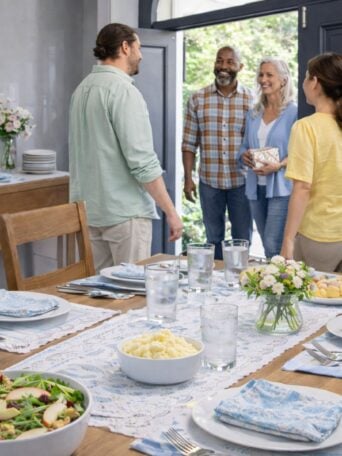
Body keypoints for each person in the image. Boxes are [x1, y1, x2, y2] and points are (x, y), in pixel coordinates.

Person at [69, 23, 183, 271]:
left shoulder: (80, 91)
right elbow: (142, 163)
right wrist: (171, 212)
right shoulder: (123, 92)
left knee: (99, 298)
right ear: (125, 47)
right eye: (138, 47)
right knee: (129, 297)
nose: (141, 54)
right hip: (124, 216)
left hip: (88, 213)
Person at [182, 46, 253, 260]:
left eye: (230, 62)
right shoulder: (197, 99)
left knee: (243, 240)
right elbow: (189, 143)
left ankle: (242, 286)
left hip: (242, 182)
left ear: (240, 67)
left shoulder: (252, 100)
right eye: (219, 61)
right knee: (213, 239)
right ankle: (217, 287)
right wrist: (188, 179)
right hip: (209, 182)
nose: (223, 66)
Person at [281, 52, 342, 272]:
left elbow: (302, 188)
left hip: (319, 237)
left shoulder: (307, 127)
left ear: (315, 82)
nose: (304, 83)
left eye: (306, 77)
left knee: (311, 303)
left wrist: (288, 240)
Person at [238, 58, 297, 258]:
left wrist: (279, 165)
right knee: (265, 243)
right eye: (261, 74)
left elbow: (302, 153)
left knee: (273, 244)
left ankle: (279, 285)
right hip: (256, 186)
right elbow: (245, 145)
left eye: (269, 75)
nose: (263, 79)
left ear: (283, 80)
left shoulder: (295, 113)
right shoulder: (254, 113)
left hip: (281, 187)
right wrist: (243, 155)